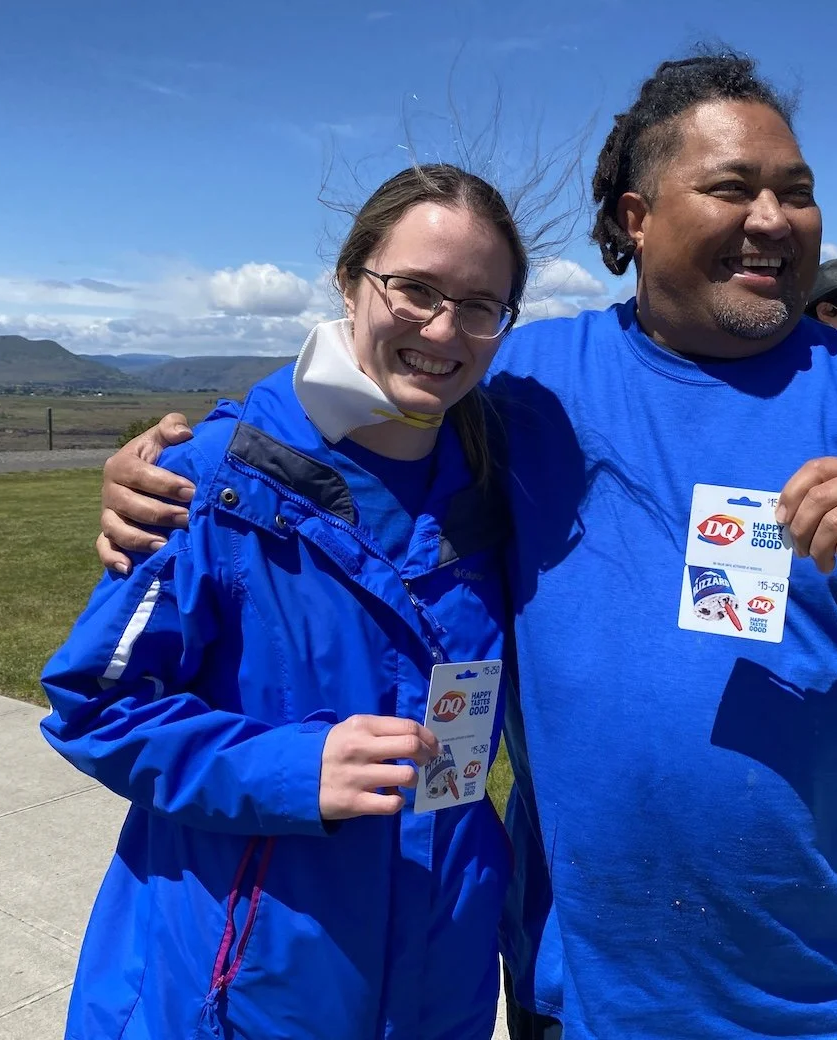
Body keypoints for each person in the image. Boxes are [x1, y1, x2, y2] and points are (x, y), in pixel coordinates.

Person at [92, 49, 837, 1040]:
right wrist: (181, 463)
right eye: (733, 188)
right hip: (580, 1002)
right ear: (635, 216)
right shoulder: (525, 387)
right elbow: (349, 404)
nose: (774, 219)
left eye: (797, 192)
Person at [39, 163, 528, 1039]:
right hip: (240, 992)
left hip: (438, 980)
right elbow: (93, 705)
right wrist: (293, 771)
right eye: (415, 289)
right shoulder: (208, 482)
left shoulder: (503, 494)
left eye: (480, 305)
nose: (443, 329)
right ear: (349, 281)